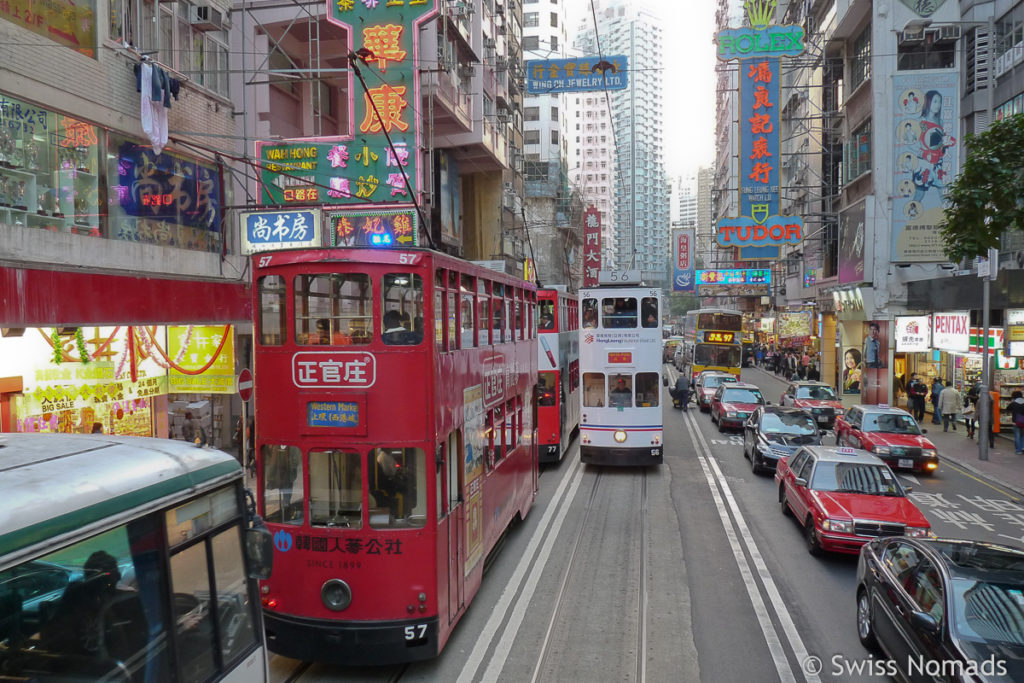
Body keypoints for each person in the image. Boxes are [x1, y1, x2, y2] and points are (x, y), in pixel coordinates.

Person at [1009, 390, 1024, 454]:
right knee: (1023, 435)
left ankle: (1018, 450)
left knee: (1017, 436)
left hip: (1016, 421)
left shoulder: (1013, 403)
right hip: (1023, 421)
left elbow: (1008, 408)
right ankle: (1023, 447)